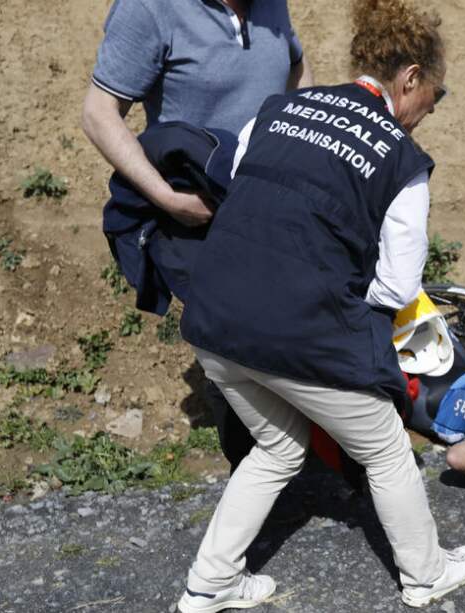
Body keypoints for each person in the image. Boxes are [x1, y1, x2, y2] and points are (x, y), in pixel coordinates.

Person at [174, 1, 465, 611]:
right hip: (297, 329)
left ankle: (210, 584)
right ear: (410, 78)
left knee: (281, 447)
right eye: (435, 97)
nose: (430, 112)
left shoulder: (279, 107)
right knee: (386, 447)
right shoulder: (401, 158)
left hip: (211, 318)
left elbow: (237, 185)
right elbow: (395, 288)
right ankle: (424, 575)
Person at [81, 0, 313, 470]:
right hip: (200, 216)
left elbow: (296, 66)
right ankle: (256, 478)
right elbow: (99, 113)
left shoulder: (271, 4)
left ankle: (286, 468)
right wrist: (165, 197)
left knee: (282, 335)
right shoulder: (150, 8)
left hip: (271, 209)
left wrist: (303, 144)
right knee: (238, 350)